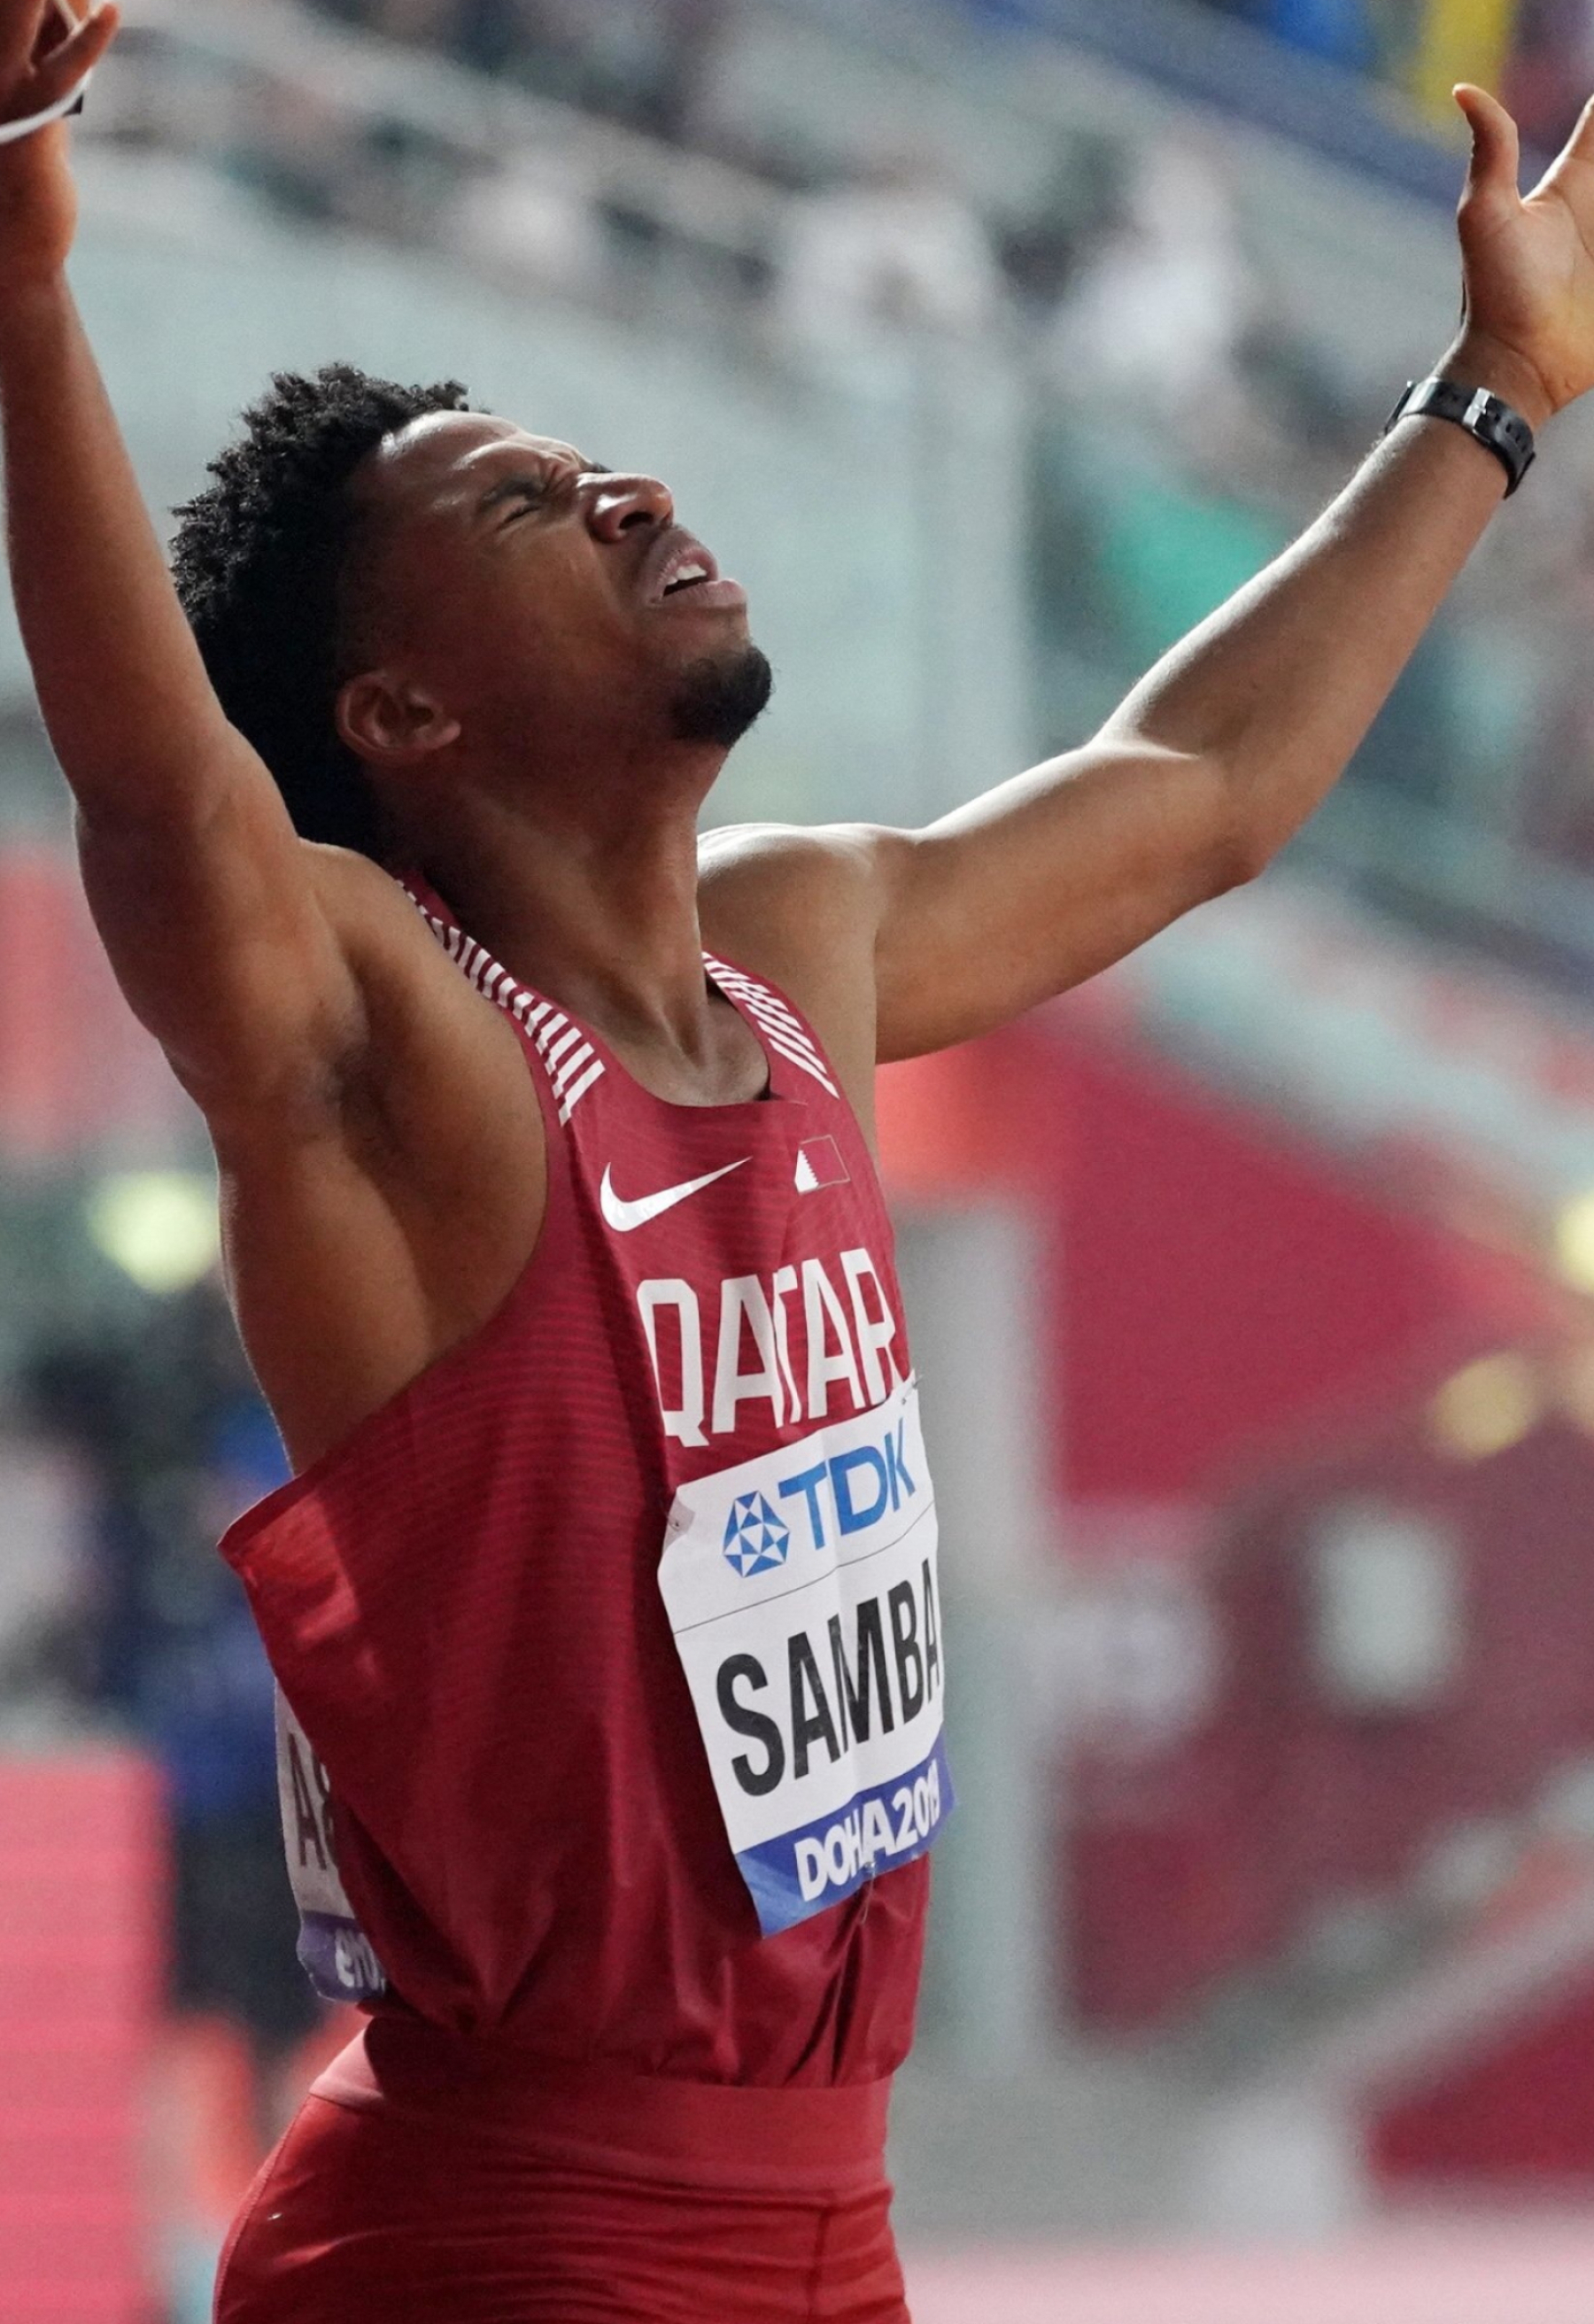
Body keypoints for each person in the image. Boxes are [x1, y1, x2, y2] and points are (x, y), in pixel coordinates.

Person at [4, 3, 1594, 2315]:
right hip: (510, 2236)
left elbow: (1205, 792)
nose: (634, 494)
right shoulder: (400, 1057)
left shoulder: (799, 952)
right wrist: (29, 255)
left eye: (600, 465)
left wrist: (1499, 395)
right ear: (404, 717)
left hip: (824, 2218)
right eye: (528, 508)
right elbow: (162, 805)